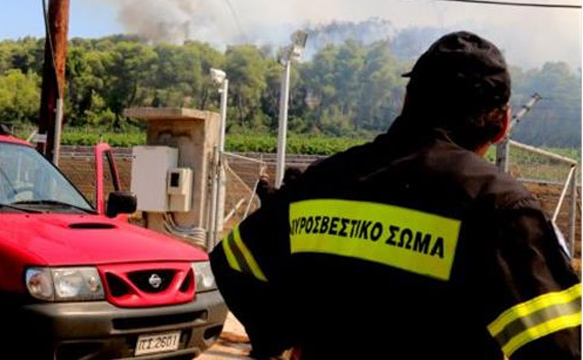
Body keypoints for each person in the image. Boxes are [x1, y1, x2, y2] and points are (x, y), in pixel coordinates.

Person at [209, 31, 581, 360]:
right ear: (501, 125)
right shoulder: (499, 209)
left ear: (405, 102)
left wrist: (287, 335)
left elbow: (232, 262)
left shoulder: (322, 181)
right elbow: (560, 346)